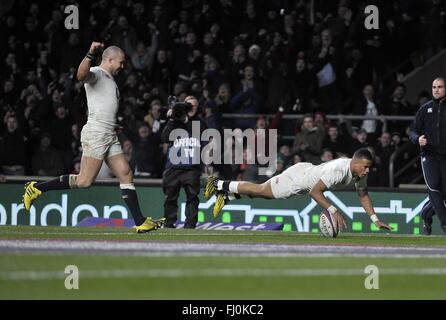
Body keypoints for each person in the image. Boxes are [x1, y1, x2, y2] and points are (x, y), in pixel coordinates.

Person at [22, 42, 164, 233]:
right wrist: (90, 54)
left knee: (126, 173)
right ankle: (37, 188)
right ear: (110, 59)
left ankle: (140, 221)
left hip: (109, 133)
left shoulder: (110, 80)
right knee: (84, 181)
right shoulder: (96, 72)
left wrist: (113, 124)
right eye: (121, 62)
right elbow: (80, 76)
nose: (123, 67)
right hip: (97, 133)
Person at [205, 148, 392, 231]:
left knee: (266, 195)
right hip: (298, 180)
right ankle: (218, 184)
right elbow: (315, 192)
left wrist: (375, 220)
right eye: (365, 167)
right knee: (261, 190)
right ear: (355, 162)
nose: (367, 170)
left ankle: (227, 197)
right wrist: (333, 210)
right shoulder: (338, 170)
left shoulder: (358, 174)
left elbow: (363, 195)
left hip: (306, 172)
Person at [161, 95, 205, 228]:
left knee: (192, 197)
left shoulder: (201, 123)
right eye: (187, 104)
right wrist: (172, 119)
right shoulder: (175, 121)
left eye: (193, 106)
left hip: (192, 167)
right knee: (170, 197)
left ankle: (190, 226)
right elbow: (165, 138)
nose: (190, 107)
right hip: (173, 167)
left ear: (197, 108)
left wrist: (184, 119)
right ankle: (169, 224)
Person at [409, 77, 446, 235]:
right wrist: (417, 139)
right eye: (434, 87)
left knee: (443, 192)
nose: (436, 90)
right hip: (429, 155)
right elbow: (412, 130)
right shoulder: (425, 109)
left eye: (440, 87)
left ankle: (425, 214)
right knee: (433, 187)